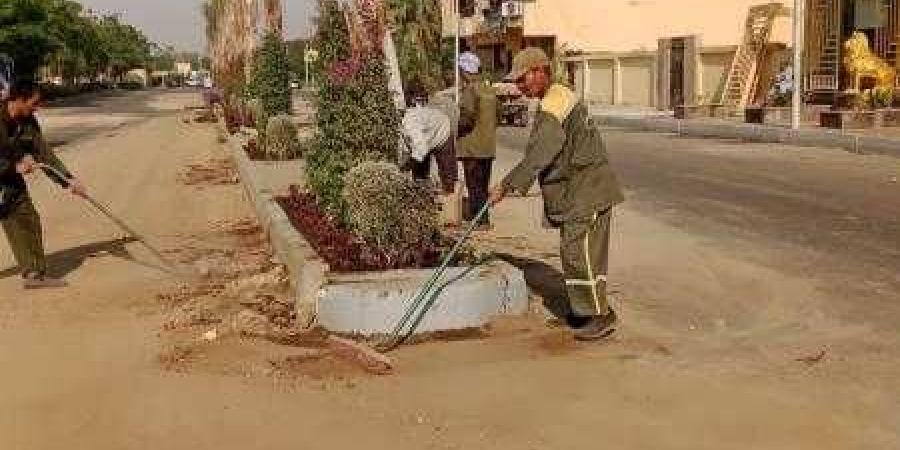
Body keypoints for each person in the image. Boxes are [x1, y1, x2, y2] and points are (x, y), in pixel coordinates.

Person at [489, 48, 625, 341]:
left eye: (523, 79)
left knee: (580, 254)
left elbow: (540, 153)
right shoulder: (555, 98)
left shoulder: (555, 103)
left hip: (586, 190)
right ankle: (588, 310)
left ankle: (599, 316)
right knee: (580, 253)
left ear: (540, 71)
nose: (519, 87)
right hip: (581, 190)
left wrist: (507, 184)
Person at [1, 81, 87, 289]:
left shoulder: (28, 122)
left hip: (9, 183)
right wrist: (14, 167)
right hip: (7, 172)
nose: (37, 107)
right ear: (19, 99)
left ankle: (33, 274)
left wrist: (68, 180)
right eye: (34, 103)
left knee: (27, 219)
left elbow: (43, 153)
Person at [456, 51, 497, 231]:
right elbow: (499, 115)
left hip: (472, 147)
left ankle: (478, 220)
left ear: (465, 71)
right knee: (483, 184)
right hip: (488, 146)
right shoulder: (489, 90)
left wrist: (455, 130)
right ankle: (484, 219)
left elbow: (467, 117)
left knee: (474, 186)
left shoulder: (470, 90)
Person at [401, 81, 457, 194]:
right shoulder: (409, 118)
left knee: (448, 177)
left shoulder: (410, 121)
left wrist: (406, 167)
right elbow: (417, 148)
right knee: (420, 178)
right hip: (428, 135)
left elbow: (421, 149)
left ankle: (450, 204)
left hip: (443, 133)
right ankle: (423, 197)